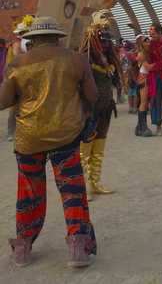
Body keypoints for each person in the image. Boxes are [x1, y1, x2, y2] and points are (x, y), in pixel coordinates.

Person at [0, 16, 98, 268]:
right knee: (72, 191)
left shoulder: (18, 63)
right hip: (65, 137)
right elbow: (93, 95)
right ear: (57, 36)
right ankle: (77, 245)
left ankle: (23, 247)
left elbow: (4, 101)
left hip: (28, 139)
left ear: (32, 39)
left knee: (29, 193)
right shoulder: (76, 59)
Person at [79, 10, 124, 199]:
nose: (105, 44)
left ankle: (95, 182)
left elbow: (114, 73)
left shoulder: (109, 61)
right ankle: (82, 187)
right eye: (102, 37)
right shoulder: (87, 56)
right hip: (90, 107)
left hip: (106, 105)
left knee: (100, 144)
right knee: (86, 145)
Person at [133, 36, 154, 137]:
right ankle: (143, 127)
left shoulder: (148, 53)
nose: (148, 43)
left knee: (145, 103)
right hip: (144, 79)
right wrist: (161, 64)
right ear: (142, 44)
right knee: (144, 103)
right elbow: (148, 67)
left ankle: (139, 127)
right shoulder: (142, 54)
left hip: (148, 79)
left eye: (149, 42)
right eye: (146, 42)